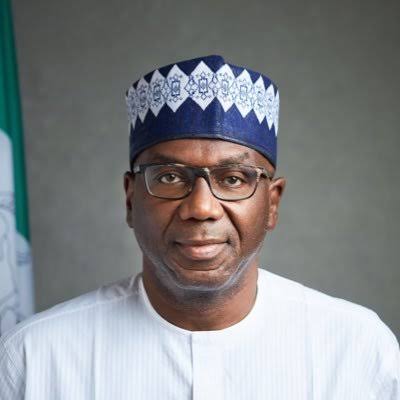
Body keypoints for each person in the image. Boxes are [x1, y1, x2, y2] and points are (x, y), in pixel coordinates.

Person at [0, 55, 398, 399]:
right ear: (130, 199)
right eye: (170, 177)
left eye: (234, 178)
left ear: (272, 203)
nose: (201, 208)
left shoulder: (357, 349)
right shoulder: (35, 358)